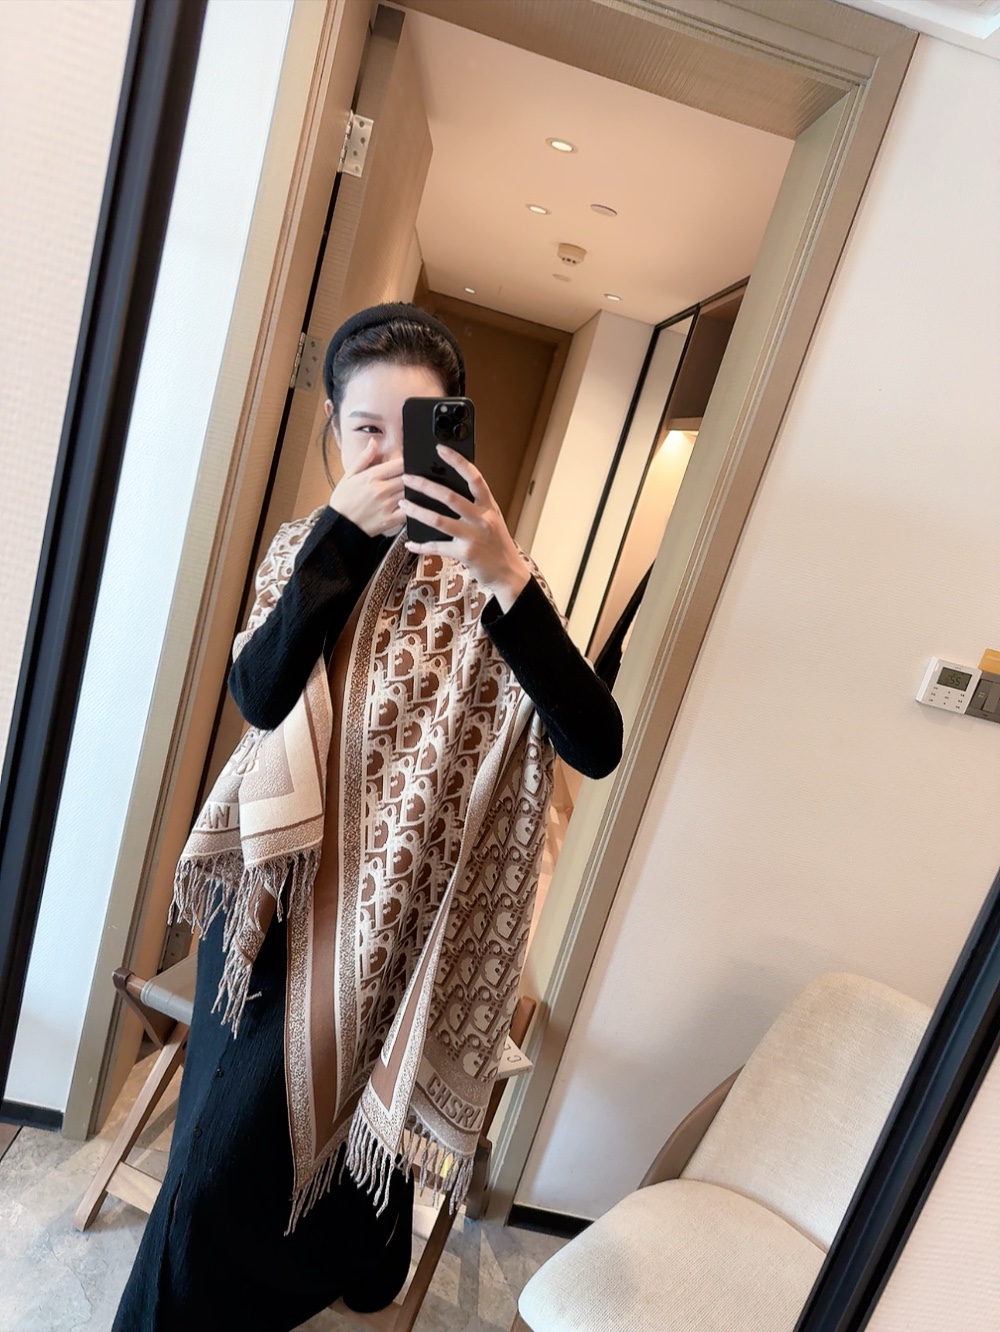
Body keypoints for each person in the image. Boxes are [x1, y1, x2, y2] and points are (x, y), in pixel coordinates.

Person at [113, 303, 623, 1331]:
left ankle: (338, 1257)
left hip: (400, 932)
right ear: (334, 434)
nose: (390, 458)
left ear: (458, 436)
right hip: (274, 911)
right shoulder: (305, 548)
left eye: (417, 430)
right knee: (211, 1174)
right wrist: (342, 539)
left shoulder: (501, 578)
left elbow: (595, 742)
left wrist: (503, 575)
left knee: (334, 1148)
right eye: (366, 431)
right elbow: (260, 694)